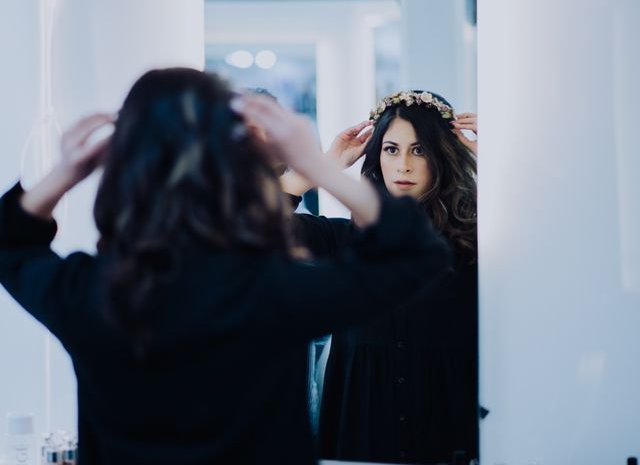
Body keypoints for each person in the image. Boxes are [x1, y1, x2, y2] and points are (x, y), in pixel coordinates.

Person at [0, 69, 451, 465]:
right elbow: (415, 254)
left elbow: (9, 244)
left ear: (120, 169)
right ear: (233, 174)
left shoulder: (90, 295)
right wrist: (315, 163)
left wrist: (64, 172)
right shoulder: (276, 291)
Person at [280, 90, 479, 464]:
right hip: (360, 425)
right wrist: (320, 168)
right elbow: (247, 224)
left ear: (442, 156)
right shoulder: (345, 241)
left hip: (446, 428)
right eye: (391, 149)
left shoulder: (477, 242)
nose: (403, 165)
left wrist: (492, 159)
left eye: (419, 150)